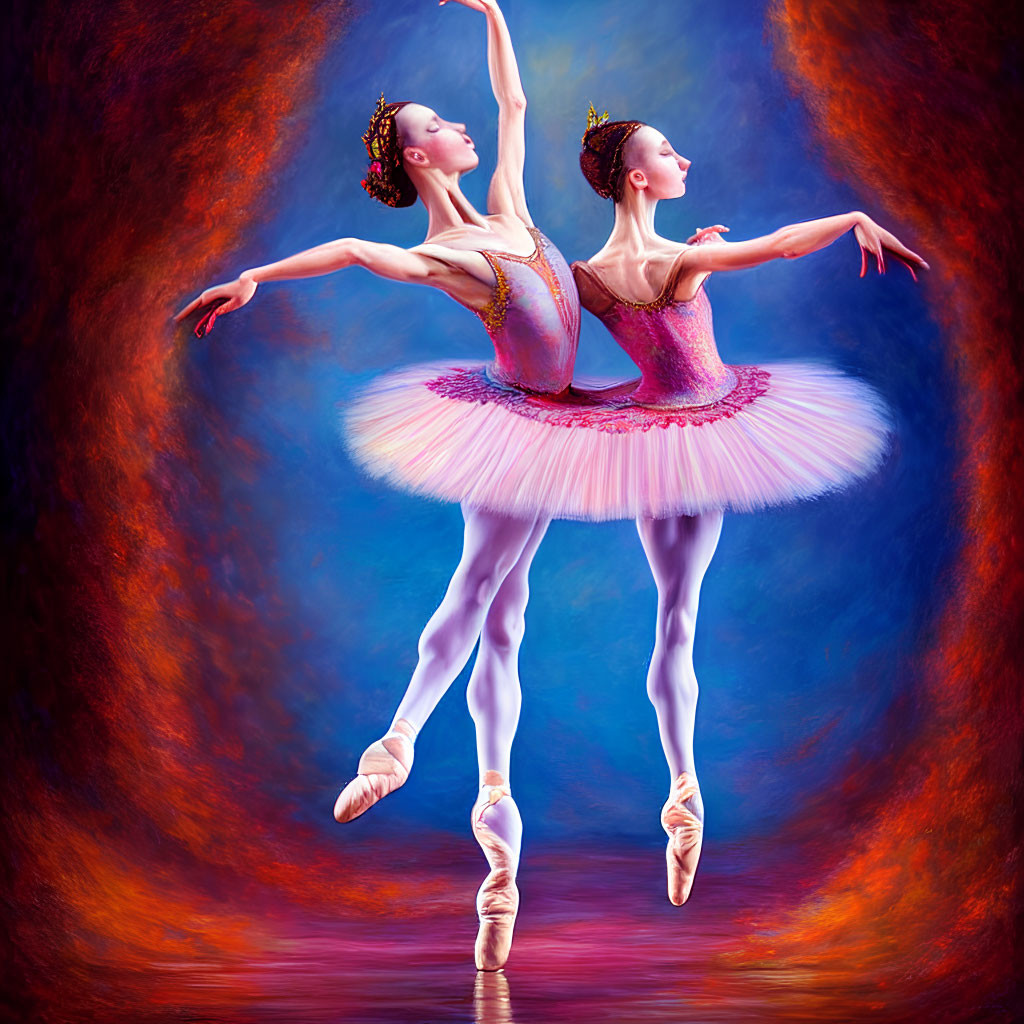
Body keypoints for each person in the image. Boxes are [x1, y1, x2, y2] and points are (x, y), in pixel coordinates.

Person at [175, 0, 588, 974]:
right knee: (484, 595)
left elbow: (516, 99)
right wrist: (258, 277)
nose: (461, 129)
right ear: (416, 159)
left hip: (564, 418)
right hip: (517, 425)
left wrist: (490, 10)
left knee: (505, 616)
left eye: (452, 119)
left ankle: (497, 853)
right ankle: (396, 743)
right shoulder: (443, 255)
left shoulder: (516, 211)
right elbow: (356, 250)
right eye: (436, 126)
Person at [567, 107, 928, 905]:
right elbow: (778, 246)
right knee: (683, 618)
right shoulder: (674, 261)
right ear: (637, 177)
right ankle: (687, 796)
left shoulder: (590, 277)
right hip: (698, 428)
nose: (683, 157)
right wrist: (856, 216)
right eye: (667, 150)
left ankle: (684, 791)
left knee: (671, 617)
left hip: (644, 430)